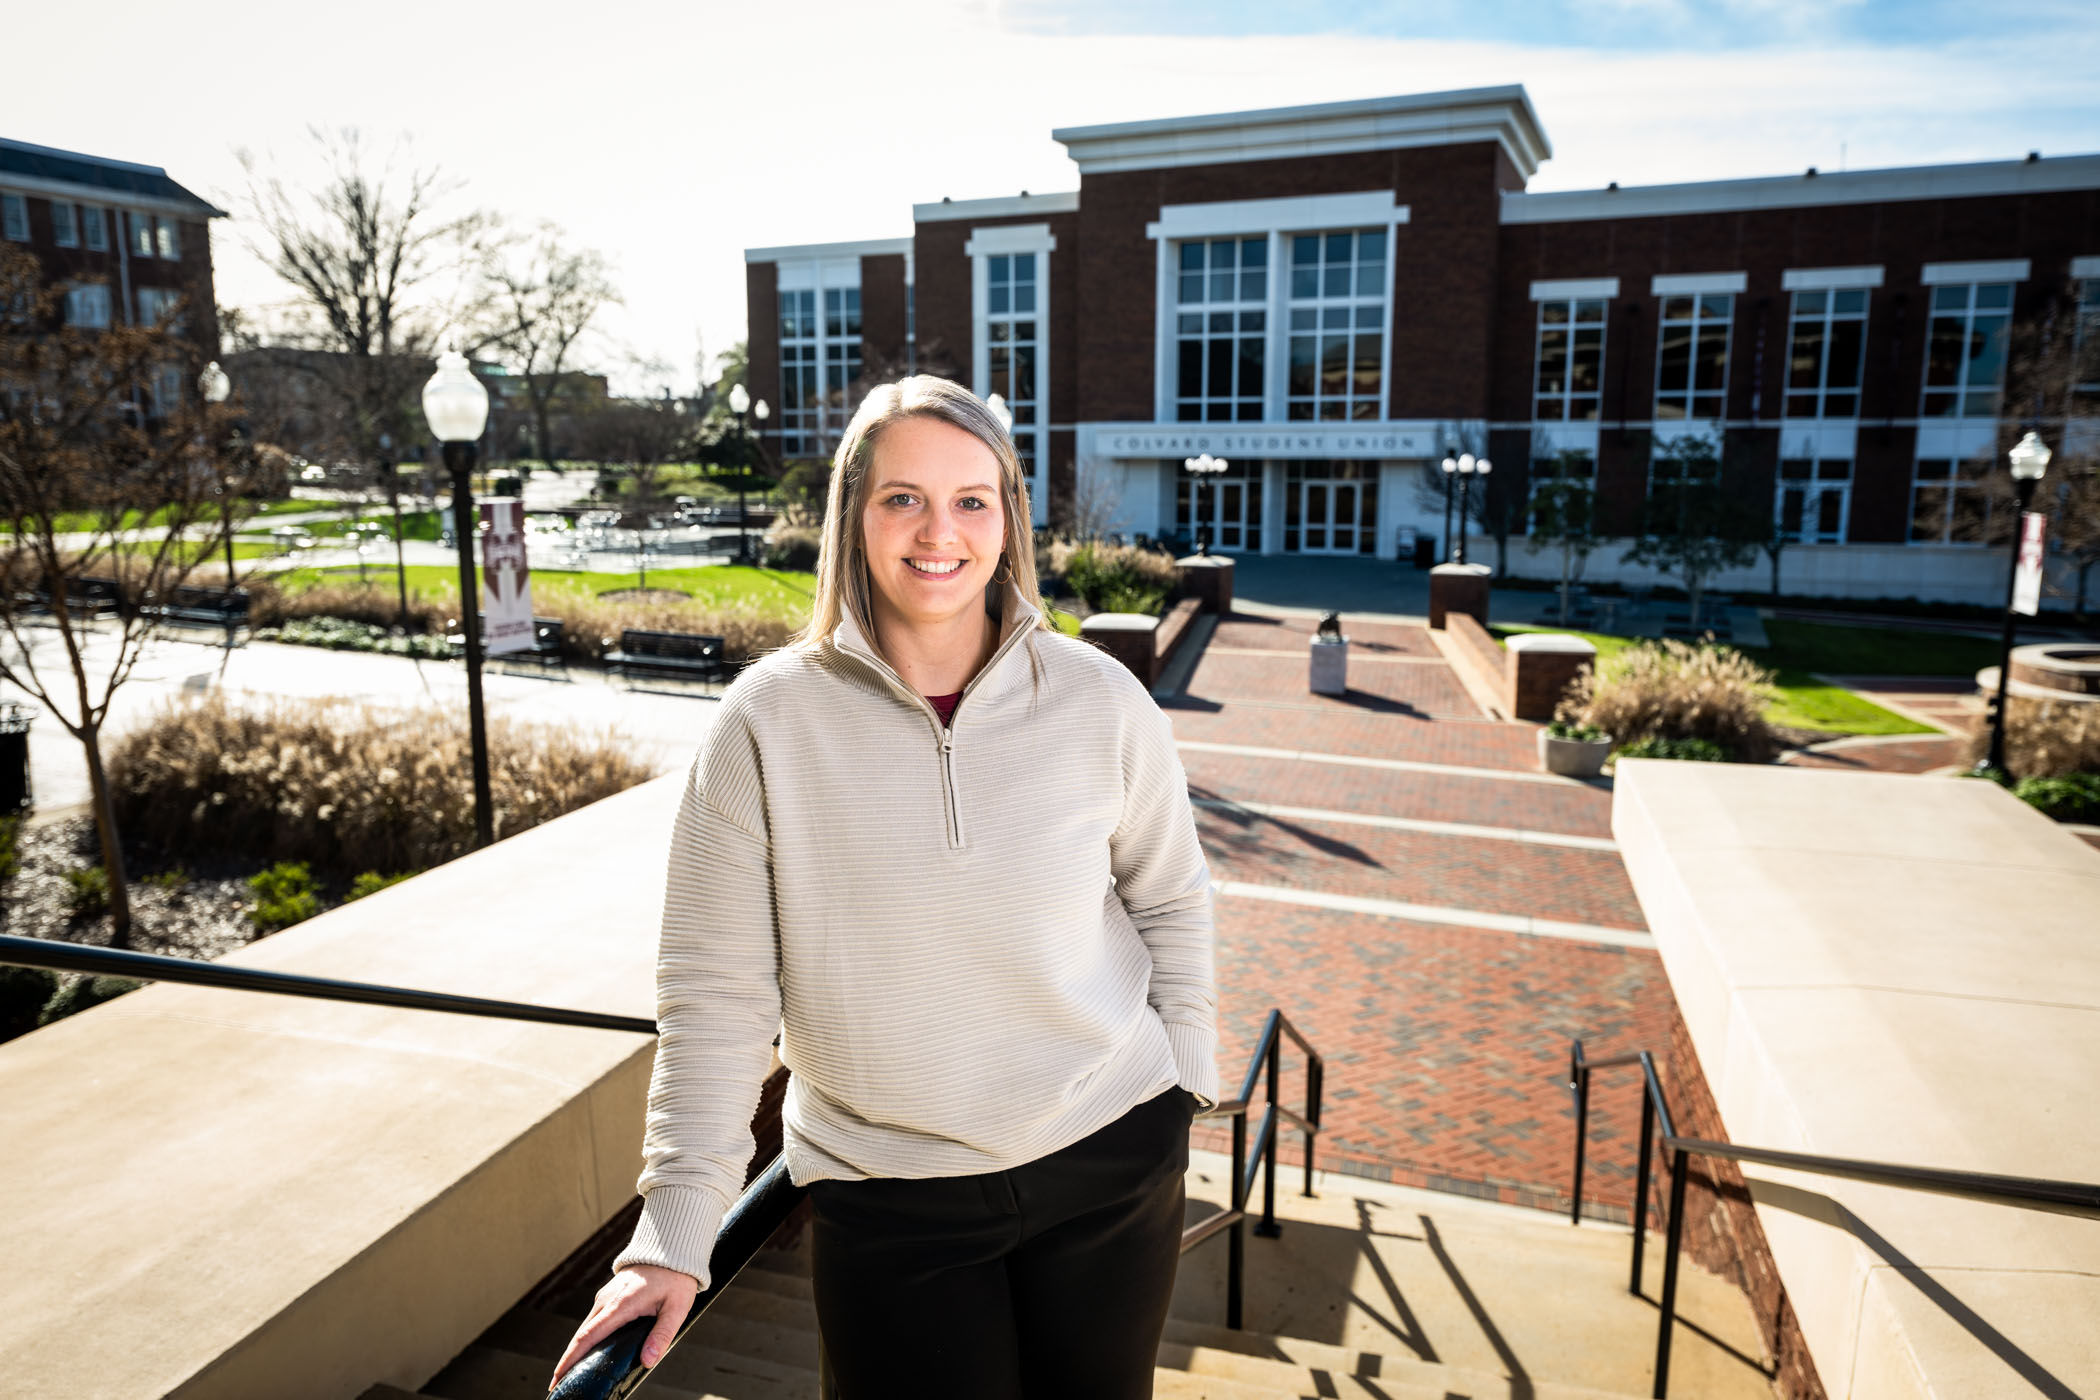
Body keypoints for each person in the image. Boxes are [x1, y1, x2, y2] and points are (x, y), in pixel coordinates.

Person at [548, 375, 1217, 1399]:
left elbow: (1169, 895)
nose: (938, 531)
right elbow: (716, 996)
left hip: (1112, 1161)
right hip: (891, 1200)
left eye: (971, 499)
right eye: (903, 497)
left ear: (1008, 517)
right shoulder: (764, 722)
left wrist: (1186, 1075)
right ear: (853, 514)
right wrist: (676, 1230)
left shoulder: (1099, 698)